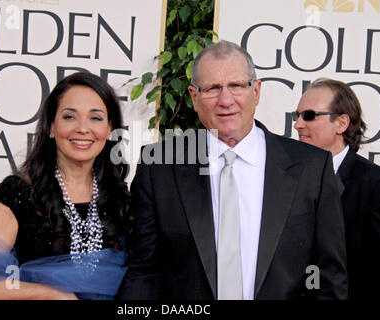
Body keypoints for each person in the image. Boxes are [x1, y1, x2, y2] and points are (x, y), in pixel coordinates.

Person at [118, 40, 348, 300]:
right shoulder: (159, 165)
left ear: (256, 91)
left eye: (237, 86)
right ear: (194, 97)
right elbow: (144, 272)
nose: (226, 100)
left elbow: (329, 278)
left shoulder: (311, 167)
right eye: (213, 88)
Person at [0, 71, 131, 300]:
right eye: (69, 117)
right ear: (50, 126)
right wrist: (52, 295)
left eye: (96, 118)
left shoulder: (120, 197)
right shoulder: (18, 194)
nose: (83, 128)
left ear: (110, 129)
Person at [293, 78, 380, 300]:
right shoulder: (287, 176)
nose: (298, 124)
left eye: (308, 115)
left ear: (342, 123)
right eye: (295, 116)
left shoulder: (377, 185)